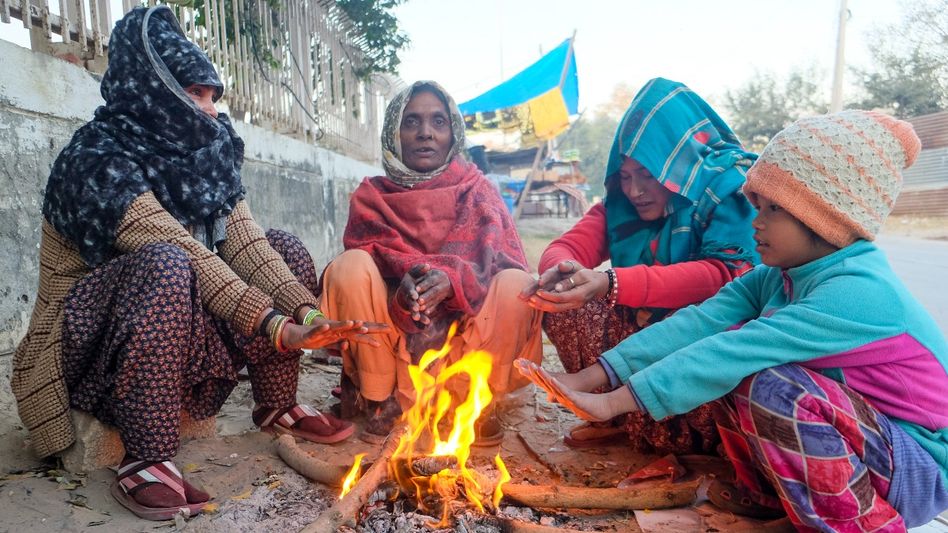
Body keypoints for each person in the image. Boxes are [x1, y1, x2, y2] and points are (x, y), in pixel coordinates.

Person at [11, 6, 386, 521]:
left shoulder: (206, 153)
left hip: (165, 330)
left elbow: (249, 247)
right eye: (194, 93)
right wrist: (275, 326)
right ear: (150, 86)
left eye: (213, 96)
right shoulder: (95, 159)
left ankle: (276, 404)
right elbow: (182, 251)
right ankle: (146, 457)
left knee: (284, 247)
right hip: (86, 353)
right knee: (166, 264)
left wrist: (309, 316)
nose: (209, 110)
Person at [517, 110, 948, 531]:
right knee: (734, 369)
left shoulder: (857, 292)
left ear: (823, 216)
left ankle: (862, 523)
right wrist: (590, 377)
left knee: (771, 386)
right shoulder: (777, 277)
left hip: (918, 467)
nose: (755, 223)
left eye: (772, 209)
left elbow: (732, 351)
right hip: (873, 445)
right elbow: (700, 323)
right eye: (756, 205)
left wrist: (612, 402)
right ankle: (766, 498)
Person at [520, 78, 759, 454]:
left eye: (648, 174)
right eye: (626, 177)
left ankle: (689, 438)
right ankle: (618, 420)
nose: (635, 191)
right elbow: (568, 246)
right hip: (641, 336)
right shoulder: (621, 204)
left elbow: (723, 277)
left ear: (679, 165)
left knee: (699, 325)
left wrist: (610, 283)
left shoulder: (729, 191)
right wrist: (564, 272)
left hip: (704, 335)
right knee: (564, 304)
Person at [319, 80, 543, 444]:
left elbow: (502, 262)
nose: (425, 133)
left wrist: (453, 281)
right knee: (349, 266)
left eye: (438, 122)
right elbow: (371, 264)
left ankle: (476, 402)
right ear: (394, 133)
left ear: (453, 132)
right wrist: (402, 289)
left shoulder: (479, 191)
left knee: (517, 284)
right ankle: (381, 401)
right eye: (411, 122)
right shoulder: (371, 197)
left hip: (466, 345)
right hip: (395, 344)